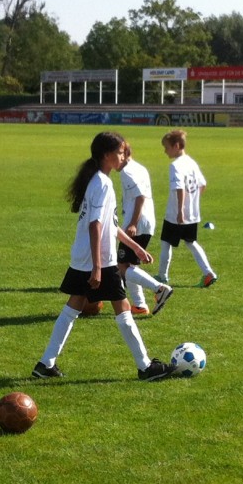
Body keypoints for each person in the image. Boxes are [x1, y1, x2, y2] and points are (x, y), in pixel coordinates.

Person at [33, 131, 174, 381]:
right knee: (123, 310)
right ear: (107, 155)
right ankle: (144, 367)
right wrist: (98, 267)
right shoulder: (102, 183)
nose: (123, 156)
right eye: (120, 152)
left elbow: (109, 223)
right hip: (99, 260)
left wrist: (135, 247)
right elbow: (95, 225)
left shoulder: (97, 180)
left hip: (83, 257)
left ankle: (45, 363)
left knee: (72, 309)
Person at [116, 141, 174, 316]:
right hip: (147, 220)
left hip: (137, 222)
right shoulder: (140, 168)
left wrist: (133, 223)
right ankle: (140, 306)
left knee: (122, 266)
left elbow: (140, 196)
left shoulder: (127, 172)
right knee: (129, 264)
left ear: (124, 154)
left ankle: (159, 289)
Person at [157, 128, 216, 287]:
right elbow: (202, 184)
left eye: (167, 147)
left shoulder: (175, 165)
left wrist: (181, 209)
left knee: (165, 241)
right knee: (191, 242)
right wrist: (192, 201)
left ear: (176, 146)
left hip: (176, 213)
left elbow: (180, 187)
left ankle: (162, 276)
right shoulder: (191, 162)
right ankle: (208, 273)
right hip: (192, 213)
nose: (165, 151)